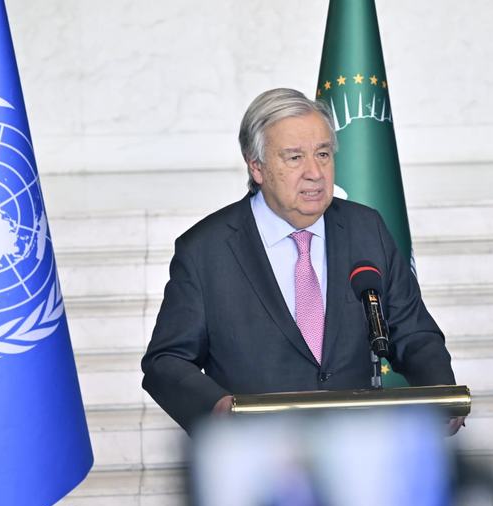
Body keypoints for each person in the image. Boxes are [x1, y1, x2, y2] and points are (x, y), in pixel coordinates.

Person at [142, 88, 459, 433]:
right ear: (257, 166)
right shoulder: (206, 250)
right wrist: (218, 408)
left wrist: (441, 393)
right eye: (294, 158)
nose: (315, 172)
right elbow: (166, 361)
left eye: (323, 154)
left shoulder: (365, 228)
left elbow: (413, 333)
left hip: (359, 448)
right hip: (257, 455)